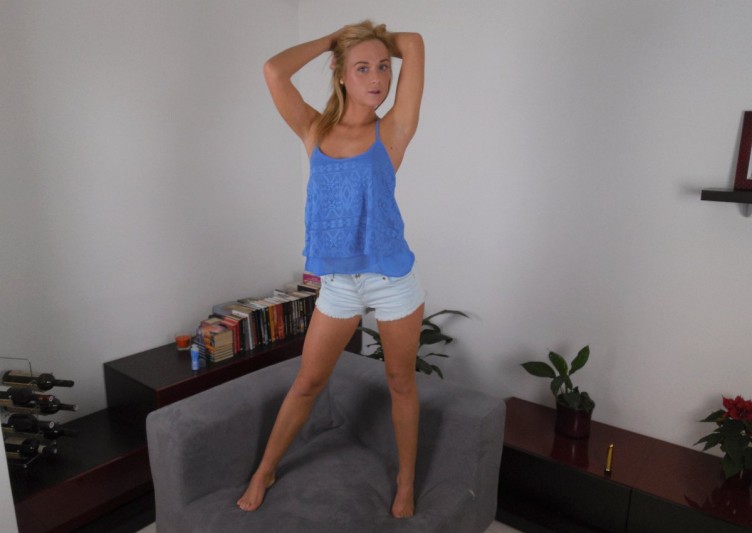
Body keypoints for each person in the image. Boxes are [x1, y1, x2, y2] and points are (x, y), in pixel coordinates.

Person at [237, 20, 425, 519]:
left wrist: (367, 40)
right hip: (339, 285)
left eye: (382, 67)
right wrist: (335, 41)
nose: (377, 77)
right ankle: (266, 470)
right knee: (307, 382)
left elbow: (413, 44)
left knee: (401, 382)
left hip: (391, 280)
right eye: (362, 68)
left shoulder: (394, 129)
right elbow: (274, 71)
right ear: (341, 74)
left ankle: (406, 480)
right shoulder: (315, 129)